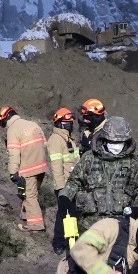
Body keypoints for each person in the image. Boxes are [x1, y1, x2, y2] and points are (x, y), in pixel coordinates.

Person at [60, 117, 138, 232]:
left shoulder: (132, 162)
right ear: (104, 139)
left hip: (121, 225)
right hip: (90, 225)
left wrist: (136, 208)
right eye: (112, 141)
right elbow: (74, 182)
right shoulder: (89, 158)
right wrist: (65, 197)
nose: (116, 145)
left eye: (119, 142)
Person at [0, 106, 50, 233]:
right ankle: (26, 216)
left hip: (28, 168)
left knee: (30, 196)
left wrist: (12, 172)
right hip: (41, 166)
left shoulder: (13, 129)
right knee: (32, 192)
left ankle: (36, 225)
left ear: (5, 119)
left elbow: (14, 153)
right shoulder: (33, 124)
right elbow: (44, 144)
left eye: (3, 124)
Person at [47, 108, 81, 254]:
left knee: (72, 213)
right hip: (65, 185)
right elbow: (56, 166)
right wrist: (61, 188)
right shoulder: (56, 140)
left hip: (73, 184)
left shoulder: (68, 139)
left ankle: (69, 241)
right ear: (60, 123)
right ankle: (59, 243)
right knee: (64, 214)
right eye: (67, 122)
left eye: (71, 122)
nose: (70, 124)